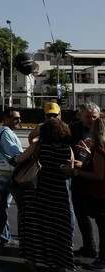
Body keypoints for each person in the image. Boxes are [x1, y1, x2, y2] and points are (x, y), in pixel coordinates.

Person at [12, 118, 75, 271]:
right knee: (59, 230)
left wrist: (13, 158)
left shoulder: (38, 146)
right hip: (59, 196)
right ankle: (61, 265)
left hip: (36, 194)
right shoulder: (68, 150)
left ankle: (31, 262)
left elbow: (19, 159)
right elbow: (69, 172)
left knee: (34, 228)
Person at [61, 114, 105, 270]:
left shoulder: (100, 148)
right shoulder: (98, 148)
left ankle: (102, 259)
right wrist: (88, 154)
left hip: (101, 194)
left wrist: (75, 173)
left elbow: (99, 175)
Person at [69, 102, 101, 258]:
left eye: (94, 117)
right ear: (80, 116)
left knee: (100, 218)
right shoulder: (73, 128)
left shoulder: (102, 133)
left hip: (96, 180)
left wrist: (85, 163)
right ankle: (89, 246)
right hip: (79, 180)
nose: (91, 120)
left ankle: (100, 254)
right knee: (81, 213)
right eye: (88, 117)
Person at [0, 107, 24, 247]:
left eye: (19, 118)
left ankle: (5, 237)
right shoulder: (7, 133)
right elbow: (17, 155)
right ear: (5, 119)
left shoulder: (0, 131)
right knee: (23, 207)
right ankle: (24, 239)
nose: (18, 120)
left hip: (4, 173)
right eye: (15, 118)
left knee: (2, 205)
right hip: (13, 175)